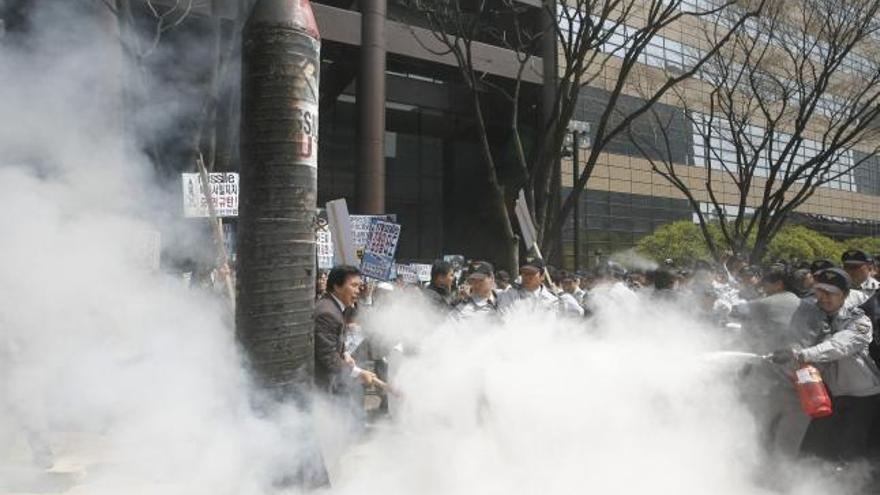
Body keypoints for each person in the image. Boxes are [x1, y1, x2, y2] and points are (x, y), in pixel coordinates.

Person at [771, 268, 880, 461]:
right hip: (827, 396)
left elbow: (838, 346)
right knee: (814, 452)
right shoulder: (811, 317)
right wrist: (791, 349)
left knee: (853, 455)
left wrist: (803, 354)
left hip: (862, 398)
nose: (823, 298)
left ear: (845, 295)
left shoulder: (859, 320)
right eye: (820, 292)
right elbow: (798, 340)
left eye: (831, 293)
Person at [314, 265, 377, 395]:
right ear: (337, 286)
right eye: (353, 285)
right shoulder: (327, 313)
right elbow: (327, 356)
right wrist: (358, 373)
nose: (358, 291)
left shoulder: (334, 307)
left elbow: (334, 342)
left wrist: (345, 354)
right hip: (320, 387)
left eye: (359, 286)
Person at [497, 258, 583, 316]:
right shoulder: (509, 296)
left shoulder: (555, 299)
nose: (527, 277)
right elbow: (504, 321)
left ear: (542, 276)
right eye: (524, 273)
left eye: (531, 273)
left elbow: (579, 313)